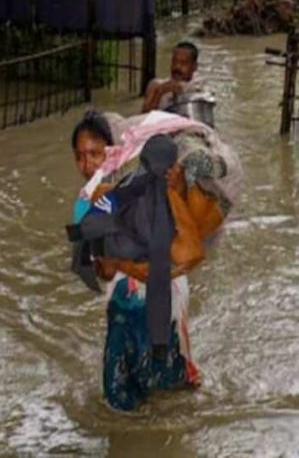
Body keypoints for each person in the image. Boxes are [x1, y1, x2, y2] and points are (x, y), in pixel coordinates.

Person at [68, 110, 225, 411]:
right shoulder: (89, 201)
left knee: (173, 386)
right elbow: (100, 270)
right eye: (79, 156)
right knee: (118, 395)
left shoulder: (152, 187)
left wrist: (121, 264)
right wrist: (108, 263)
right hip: (123, 300)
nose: (87, 165)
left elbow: (187, 254)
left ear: (114, 151)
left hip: (166, 297)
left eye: (95, 154)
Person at [142, 41, 202, 113]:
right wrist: (159, 93)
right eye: (174, 62)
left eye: (183, 63)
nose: (177, 67)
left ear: (194, 67)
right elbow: (144, 118)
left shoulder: (198, 91)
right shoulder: (156, 86)